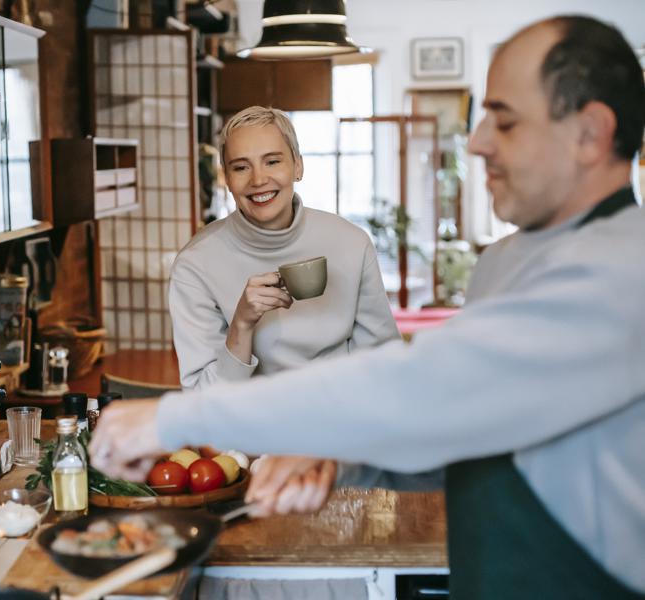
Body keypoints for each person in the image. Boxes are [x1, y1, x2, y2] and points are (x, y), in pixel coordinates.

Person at [90, 15, 645, 600]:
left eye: (503, 121)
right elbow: (461, 432)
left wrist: (172, 419)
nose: (477, 141)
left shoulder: (623, 272)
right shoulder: (504, 262)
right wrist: (337, 460)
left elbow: (427, 381)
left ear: (590, 134)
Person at [169, 106, 399, 389]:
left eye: (272, 162)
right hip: (251, 428)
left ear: (298, 166)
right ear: (227, 179)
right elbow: (200, 399)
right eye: (241, 167)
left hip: (340, 420)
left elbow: (383, 362)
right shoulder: (196, 264)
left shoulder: (351, 243)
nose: (258, 180)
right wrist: (242, 324)